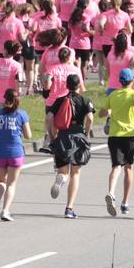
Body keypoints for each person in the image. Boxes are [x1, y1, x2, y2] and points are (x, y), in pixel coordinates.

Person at [101, 68, 134, 216]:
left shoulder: (112, 95)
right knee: (128, 167)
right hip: (129, 134)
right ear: (132, 81)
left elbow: (102, 113)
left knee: (116, 166)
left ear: (120, 81)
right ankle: (125, 203)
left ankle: (111, 192)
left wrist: (108, 112)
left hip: (114, 135)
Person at [49, 74, 94, 219]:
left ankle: (61, 178)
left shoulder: (60, 100)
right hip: (78, 137)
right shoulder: (85, 100)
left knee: (63, 171)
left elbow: (49, 117)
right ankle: (69, 208)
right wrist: (86, 132)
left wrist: (52, 135)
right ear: (79, 84)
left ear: (66, 85)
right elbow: (91, 118)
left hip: (62, 136)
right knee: (75, 173)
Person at [0, 88, 31, 222]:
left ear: (4, 98)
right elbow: (28, 135)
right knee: (11, 184)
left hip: (0, 151)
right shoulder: (21, 114)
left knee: (1, 181)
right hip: (16, 152)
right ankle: (5, 211)